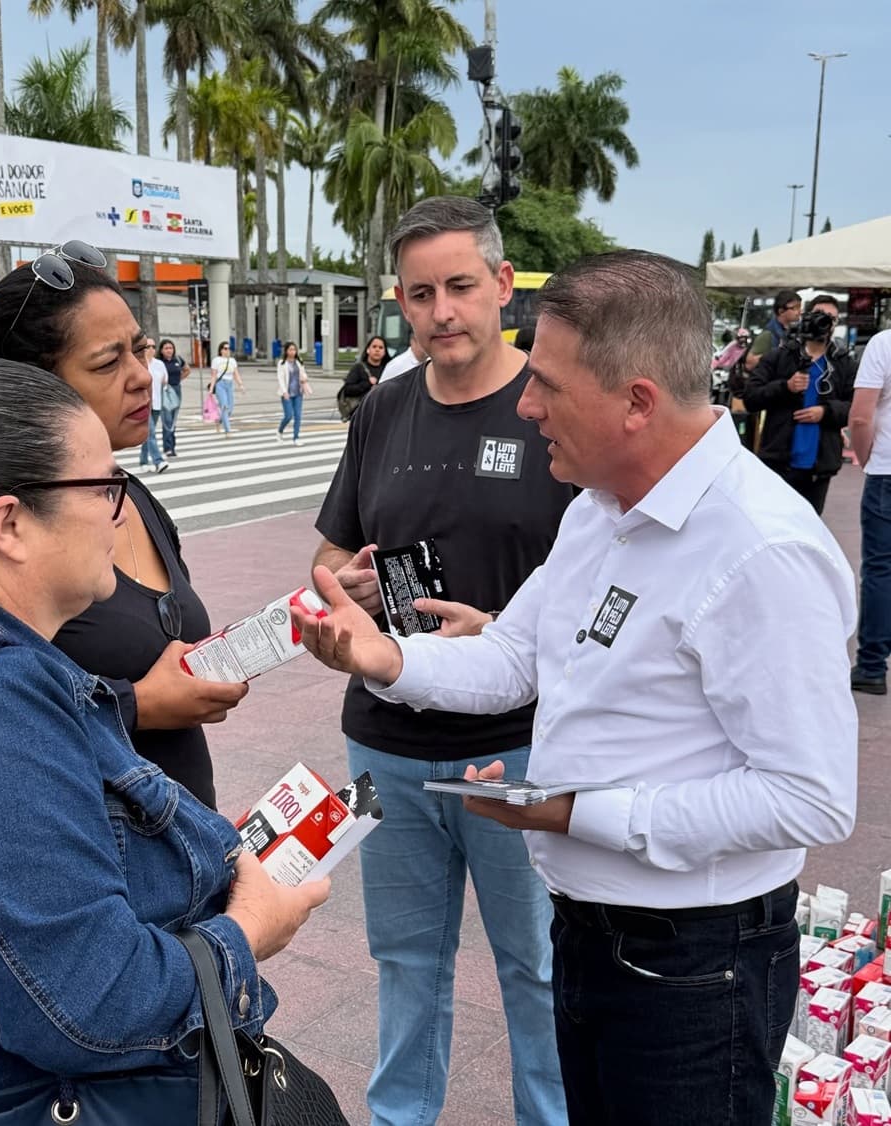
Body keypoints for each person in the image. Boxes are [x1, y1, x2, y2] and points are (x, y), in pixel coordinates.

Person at [295, 249, 858, 1126]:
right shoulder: (600, 511)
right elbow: (516, 655)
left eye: (547, 385)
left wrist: (578, 811)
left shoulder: (760, 550)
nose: (525, 405)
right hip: (592, 929)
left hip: (694, 963)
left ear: (636, 402)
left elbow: (809, 799)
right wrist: (383, 659)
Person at [0, 358, 330, 1121]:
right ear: (10, 523)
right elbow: (94, 1003)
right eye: (104, 488)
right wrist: (249, 930)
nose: (124, 513)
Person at [313, 196, 573, 1126]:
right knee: (405, 962)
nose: (442, 312)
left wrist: (501, 632)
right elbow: (330, 553)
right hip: (386, 739)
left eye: (461, 286)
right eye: (420, 294)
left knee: (537, 968)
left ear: (504, 285)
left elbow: (599, 585)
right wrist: (339, 586)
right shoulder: (383, 408)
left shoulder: (550, 406)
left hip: (520, 748)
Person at [0, 245, 247, 807]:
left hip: (185, 853)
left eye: (141, 350)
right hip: (87, 862)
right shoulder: (4, 529)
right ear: (35, 385)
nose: (141, 377)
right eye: (107, 363)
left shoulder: (137, 497)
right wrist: (139, 705)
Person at [744, 294, 856, 514]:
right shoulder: (780, 357)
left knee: (811, 529)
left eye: (831, 318)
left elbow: (856, 408)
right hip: (779, 462)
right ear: (806, 317)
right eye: (819, 316)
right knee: (774, 525)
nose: (825, 323)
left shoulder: (844, 364)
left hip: (819, 466)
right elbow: (751, 398)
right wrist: (785, 387)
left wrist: (825, 411)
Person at [848, 327, 891, 696]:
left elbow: (861, 417)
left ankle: (873, 665)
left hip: (887, 470)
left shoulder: (884, 344)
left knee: (880, 568)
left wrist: (864, 457)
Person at [745, 288, 803, 372]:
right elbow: (749, 364)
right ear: (781, 311)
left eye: (800, 307)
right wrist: (778, 353)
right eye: (795, 308)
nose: (799, 312)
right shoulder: (768, 334)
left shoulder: (795, 331)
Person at [337, 336, 390, 421]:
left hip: (383, 414)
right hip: (360, 415)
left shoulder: (388, 369)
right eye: (374, 347)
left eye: (381, 347)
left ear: (384, 352)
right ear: (368, 350)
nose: (377, 350)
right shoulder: (358, 368)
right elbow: (347, 390)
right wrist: (367, 384)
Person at [138, 337, 169, 474]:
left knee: (147, 434)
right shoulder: (138, 363)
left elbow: (164, 381)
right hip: (143, 403)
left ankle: (143, 461)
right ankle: (158, 461)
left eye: (153, 346)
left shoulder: (159, 364)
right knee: (150, 433)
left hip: (157, 403)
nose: (151, 349)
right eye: (148, 346)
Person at [276, 341, 312, 445]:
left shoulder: (299, 361)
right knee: (288, 415)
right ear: (286, 351)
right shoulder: (282, 363)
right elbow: (281, 378)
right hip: (287, 393)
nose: (293, 352)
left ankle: (296, 437)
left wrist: (304, 377)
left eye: (294, 350)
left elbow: (303, 373)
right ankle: (280, 431)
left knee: (298, 416)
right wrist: (284, 391)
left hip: (298, 392)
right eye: (290, 350)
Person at [158, 338, 190, 456]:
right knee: (167, 420)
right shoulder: (159, 362)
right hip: (164, 391)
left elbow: (187, 370)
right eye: (166, 348)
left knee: (173, 419)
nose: (169, 350)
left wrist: (178, 379)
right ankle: (168, 448)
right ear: (161, 350)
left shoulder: (178, 359)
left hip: (176, 390)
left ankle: (172, 446)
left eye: (171, 348)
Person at [208, 340, 243, 436]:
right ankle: (228, 430)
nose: (227, 350)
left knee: (230, 408)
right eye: (225, 348)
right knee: (224, 406)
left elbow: (236, 374)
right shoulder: (216, 360)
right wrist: (211, 388)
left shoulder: (232, 361)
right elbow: (214, 375)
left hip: (229, 384)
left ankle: (219, 421)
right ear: (221, 350)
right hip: (220, 384)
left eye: (229, 349)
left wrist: (240, 384)